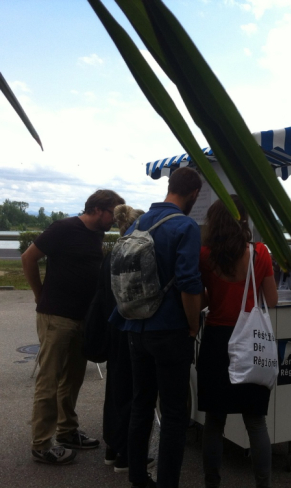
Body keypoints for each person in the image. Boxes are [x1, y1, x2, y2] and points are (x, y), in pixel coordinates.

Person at [114, 167, 203, 488]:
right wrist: (192, 325)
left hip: (134, 326)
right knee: (175, 414)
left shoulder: (136, 223)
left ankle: (138, 478)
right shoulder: (184, 225)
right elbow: (190, 284)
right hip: (169, 330)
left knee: (141, 403)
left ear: (170, 186)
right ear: (194, 194)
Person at [22, 189, 125, 465]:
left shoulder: (97, 235)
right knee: (50, 379)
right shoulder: (63, 228)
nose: (113, 221)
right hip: (56, 317)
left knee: (73, 379)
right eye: (112, 215)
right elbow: (28, 258)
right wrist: (39, 294)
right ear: (97, 209)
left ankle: (66, 431)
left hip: (83, 319)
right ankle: (41, 443)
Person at [197, 195, 278, 488]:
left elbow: (200, 300)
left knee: (214, 422)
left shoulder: (205, 254)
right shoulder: (260, 253)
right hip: (251, 341)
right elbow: (270, 300)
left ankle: (212, 483)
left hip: (217, 340)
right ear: (243, 219)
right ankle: (263, 484)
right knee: (255, 422)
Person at [84, 204, 156, 473]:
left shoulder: (112, 254)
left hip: (111, 328)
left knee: (116, 390)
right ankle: (128, 454)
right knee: (134, 393)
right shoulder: (136, 255)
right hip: (130, 330)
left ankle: (113, 449)